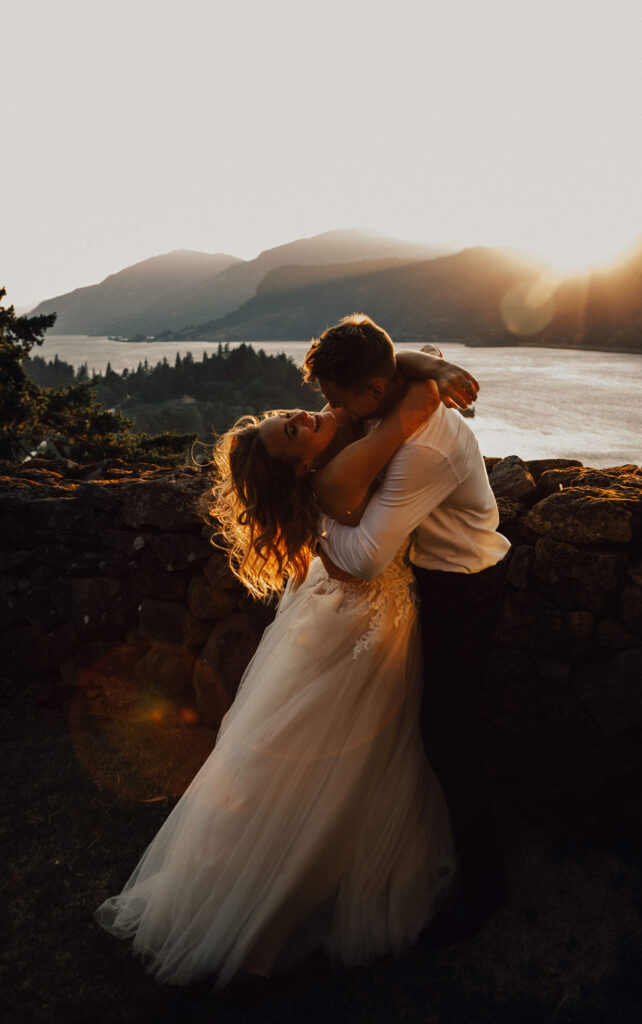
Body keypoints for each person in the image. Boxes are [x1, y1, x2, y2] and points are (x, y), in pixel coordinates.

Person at [93, 347, 476, 989]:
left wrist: (423, 363)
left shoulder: (332, 436)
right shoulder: (338, 476)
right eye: (292, 430)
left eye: (285, 414)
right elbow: (365, 553)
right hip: (363, 622)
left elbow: (385, 367)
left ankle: (270, 894)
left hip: (339, 616)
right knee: (334, 770)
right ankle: (269, 922)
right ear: (302, 467)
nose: (303, 414)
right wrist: (415, 402)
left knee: (324, 767)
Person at [302, 314, 511, 927]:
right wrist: (433, 365)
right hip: (435, 577)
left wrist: (304, 519)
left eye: (338, 401)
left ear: (372, 391)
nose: (332, 411)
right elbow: (417, 354)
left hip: (464, 586)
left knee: (449, 736)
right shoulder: (393, 396)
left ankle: (484, 886)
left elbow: (365, 557)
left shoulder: (422, 448)